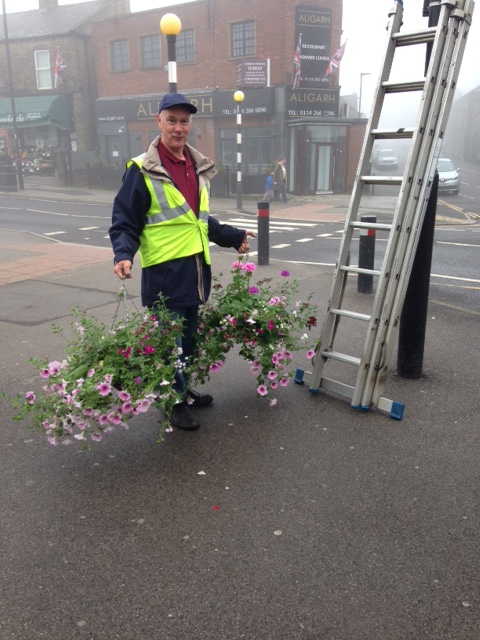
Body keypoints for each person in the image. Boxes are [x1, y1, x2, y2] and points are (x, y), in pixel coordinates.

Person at [109, 93, 255, 431]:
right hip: (165, 274)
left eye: (184, 121)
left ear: (191, 126)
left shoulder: (195, 165)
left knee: (187, 340)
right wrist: (123, 254)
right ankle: (172, 403)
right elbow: (124, 220)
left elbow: (198, 219)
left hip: (195, 272)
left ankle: (182, 389)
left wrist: (233, 236)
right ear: (158, 123)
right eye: (171, 120)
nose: (179, 127)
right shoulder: (143, 170)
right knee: (169, 343)